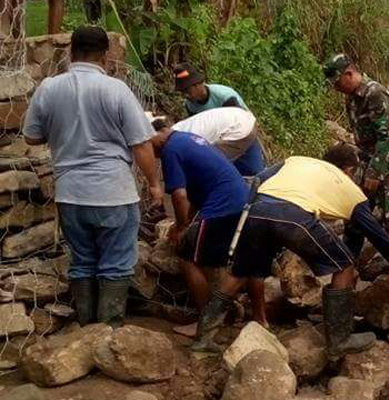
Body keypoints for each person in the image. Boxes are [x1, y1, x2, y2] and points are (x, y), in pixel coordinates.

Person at [192, 145, 389, 357]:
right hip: (292, 216)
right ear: (349, 170)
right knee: (344, 265)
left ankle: (203, 337)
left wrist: (247, 211)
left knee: (239, 273)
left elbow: (257, 180)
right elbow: (375, 233)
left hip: (257, 212)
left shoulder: (296, 160)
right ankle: (340, 339)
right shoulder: (348, 186)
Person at [23, 26, 163, 328]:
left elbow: (32, 137)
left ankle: (86, 331)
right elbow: (141, 144)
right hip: (113, 192)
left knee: (83, 261)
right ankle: (109, 334)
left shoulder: (49, 87)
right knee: (115, 264)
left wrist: (62, 132)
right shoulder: (116, 89)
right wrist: (154, 185)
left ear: (71, 52)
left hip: (70, 194)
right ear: (106, 56)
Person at [150, 122, 268, 333]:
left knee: (188, 257)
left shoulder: (171, 151)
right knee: (242, 260)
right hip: (241, 201)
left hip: (223, 207)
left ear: (155, 137)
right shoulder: (187, 139)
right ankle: (258, 318)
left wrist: (182, 227)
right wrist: (189, 222)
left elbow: (179, 196)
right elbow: (197, 192)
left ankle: (206, 323)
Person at [323, 54, 389, 230]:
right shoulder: (351, 97)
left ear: (349, 73)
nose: (336, 88)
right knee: (355, 208)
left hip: (387, 161)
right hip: (367, 158)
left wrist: (374, 173)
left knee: (388, 216)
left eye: (337, 82)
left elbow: (386, 137)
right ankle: (351, 253)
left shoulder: (375, 94)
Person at [154, 107, 264, 176]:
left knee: (215, 169)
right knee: (254, 170)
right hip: (242, 118)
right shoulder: (178, 129)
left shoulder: (178, 142)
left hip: (237, 129)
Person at [173, 63, 248, 115]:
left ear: (198, 85)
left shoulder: (224, 96)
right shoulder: (190, 105)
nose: (186, 95)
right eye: (182, 92)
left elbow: (238, 120)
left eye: (187, 91)